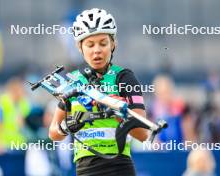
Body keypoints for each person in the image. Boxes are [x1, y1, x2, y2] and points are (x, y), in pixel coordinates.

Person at [49, 8, 148, 176]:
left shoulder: (124, 77)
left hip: (119, 167)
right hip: (84, 169)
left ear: (113, 44)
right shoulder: (74, 81)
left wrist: (120, 113)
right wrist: (66, 127)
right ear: (79, 47)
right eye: (90, 44)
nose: (97, 50)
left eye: (103, 43)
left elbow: (143, 134)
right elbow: (53, 133)